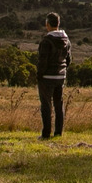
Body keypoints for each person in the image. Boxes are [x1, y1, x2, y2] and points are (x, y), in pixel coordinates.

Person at [36, 12, 71, 140]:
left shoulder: (46, 41)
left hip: (47, 77)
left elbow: (42, 61)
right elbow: (68, 59)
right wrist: (63, 70)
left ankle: (46, 134)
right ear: (58, 24)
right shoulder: (66, 40)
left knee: (46, 105)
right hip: (60, 76)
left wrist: (39, 74)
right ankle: (58, 132)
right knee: (58, 104)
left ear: (48, 25)